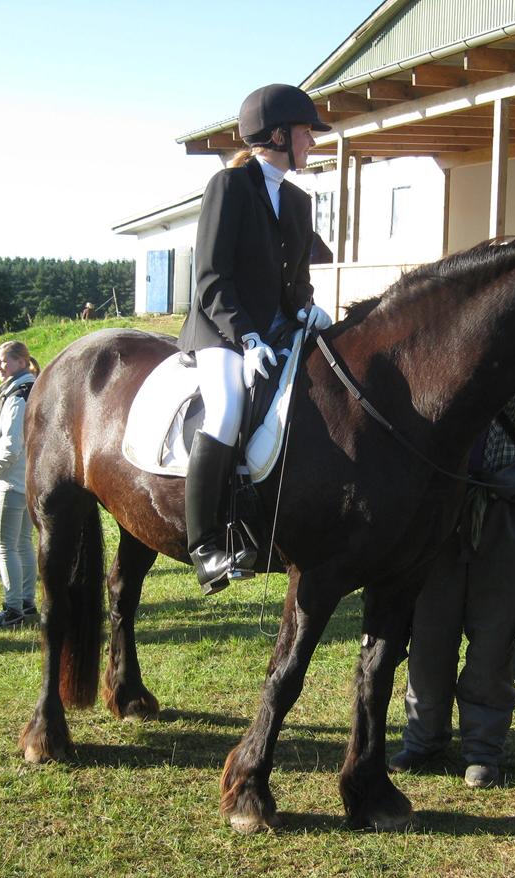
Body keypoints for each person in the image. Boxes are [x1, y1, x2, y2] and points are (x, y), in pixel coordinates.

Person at [175, 83, 333, 595]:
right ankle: (204, 547)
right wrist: (245, 338)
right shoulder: (229, 185)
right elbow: (212, 278)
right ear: (280, 135)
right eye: (307, 134)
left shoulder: (297, 200)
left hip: (274, 329)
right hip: (220, 328)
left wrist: (307, 310)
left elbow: (295, 284)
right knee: (224, 408)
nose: (312, 144)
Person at [389, 366, 515, 789]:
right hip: (438, 510)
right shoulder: (441, 344)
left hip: (508, 511)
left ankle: (482, 750)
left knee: (494, 637)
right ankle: (423, 738)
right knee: (430, 633)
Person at [0, 341, 39, 629]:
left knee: (5, 546)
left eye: (3, 360)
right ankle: (27, 603)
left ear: (20, 361)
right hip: (27, 480)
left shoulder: (17, 397)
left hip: (11, 481)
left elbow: (11, 446)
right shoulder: (33, 389)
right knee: (22, 544)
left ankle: (13, 608)